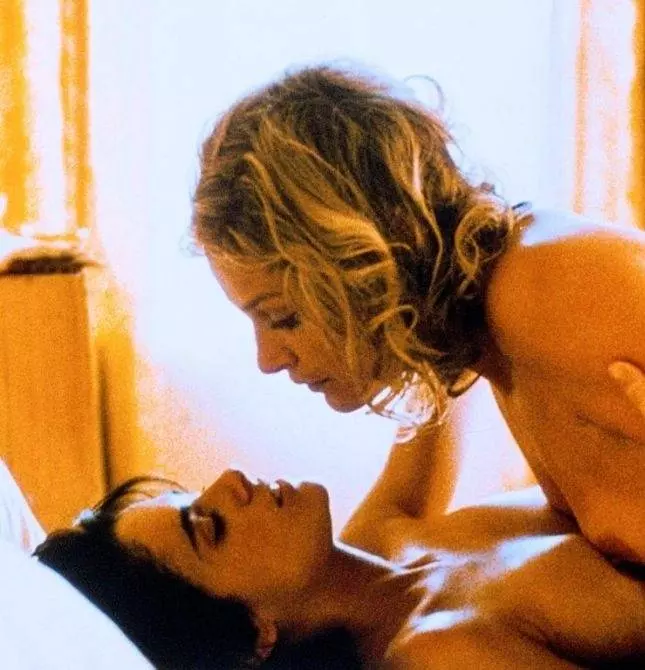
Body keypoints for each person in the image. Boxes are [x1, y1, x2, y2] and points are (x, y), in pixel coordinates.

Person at [189, 63, 645, 565]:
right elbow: (374, 544)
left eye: (282, 317)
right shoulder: (486, 332)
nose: (268, 359)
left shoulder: (551, 287)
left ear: (361, 262)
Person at [35, 462, 645, 668]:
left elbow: (437, 365)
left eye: (193, 493)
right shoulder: (438, 653)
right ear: (255, 632)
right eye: (209, 526)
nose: (229, 481)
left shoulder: (382, 537)